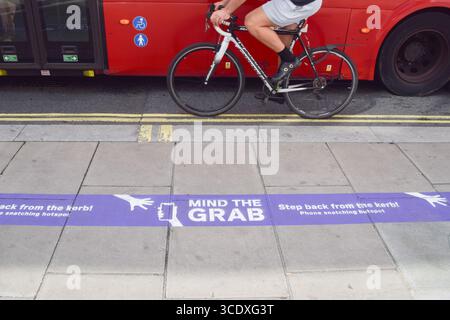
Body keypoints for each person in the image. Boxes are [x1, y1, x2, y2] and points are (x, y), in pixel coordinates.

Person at [210, 0, 323, 85]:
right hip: (304, 3)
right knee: (283, 39)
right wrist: (225, 3)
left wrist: (226, 11)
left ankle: (289, 59)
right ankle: (280, 88)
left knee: (252, 22)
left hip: (299, 4)